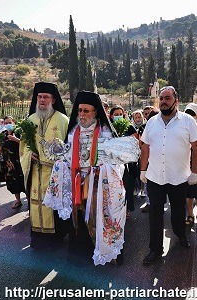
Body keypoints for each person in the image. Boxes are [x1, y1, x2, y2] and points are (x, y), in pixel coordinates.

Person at [44, 91, 137, 265]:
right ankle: (79, 254)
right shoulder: (73, 132)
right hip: (77, 183)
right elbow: (66, 156)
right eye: (80, 110)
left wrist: (99, 171)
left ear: (96, 112)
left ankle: (106, 252)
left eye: (86, 111)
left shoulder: (106, 133)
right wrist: (62, 164)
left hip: (99, 184)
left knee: (102, 217)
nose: (82, 114)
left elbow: (117, 163)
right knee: (78, 218)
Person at [140, 86, 197, 265]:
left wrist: (195, 172)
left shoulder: (188, 121)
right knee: (155, 214)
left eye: (167, 98)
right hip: (155, 177)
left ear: (176, 101)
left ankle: (180, 235)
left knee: (177, 210)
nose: (163, 102)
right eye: (161, 98)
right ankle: (155, 249)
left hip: (179, 177)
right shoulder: (152, 122)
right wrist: (143, 170)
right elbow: (145, 146)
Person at [20, 82, 70, 249]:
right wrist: (29, 154)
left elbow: (69, 146)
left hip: (55, 172)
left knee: (53, 203)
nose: (42, 100)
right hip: (35, 171)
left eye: (46, 97)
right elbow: (24, 145)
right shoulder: (31, 119)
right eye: (40, 97)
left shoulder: (63, 120)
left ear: (53, 100)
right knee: (36, 202)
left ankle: (56, 238)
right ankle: (38, 238)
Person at [109, 105, 138, 217]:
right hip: (113, 164)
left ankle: (126, 209)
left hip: (128, 164)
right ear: (111, 116)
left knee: (127, 187)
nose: (118, 116)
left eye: (120, 114)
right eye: (116, 115)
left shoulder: (129, 127)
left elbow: (134, 142)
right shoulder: (108, 128)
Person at [0, 116, 25, 209]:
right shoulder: (3, 134)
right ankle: (18, 201)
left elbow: (26, 145)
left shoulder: (19, 133)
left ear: (14, 122)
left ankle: (29, 199)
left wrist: (16, 140)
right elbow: (1, 147)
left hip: (19, 162)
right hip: (8, 163)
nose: (8, 125)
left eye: (9, 122)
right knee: (12, 182)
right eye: (5, 123)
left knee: (22, 180)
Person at [131, 110, 147, 199]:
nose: (138, 119)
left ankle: (143, 189)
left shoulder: (145, 127)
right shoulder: (131, 128)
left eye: (139, 117)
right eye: (136, 117)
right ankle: (136, 187)